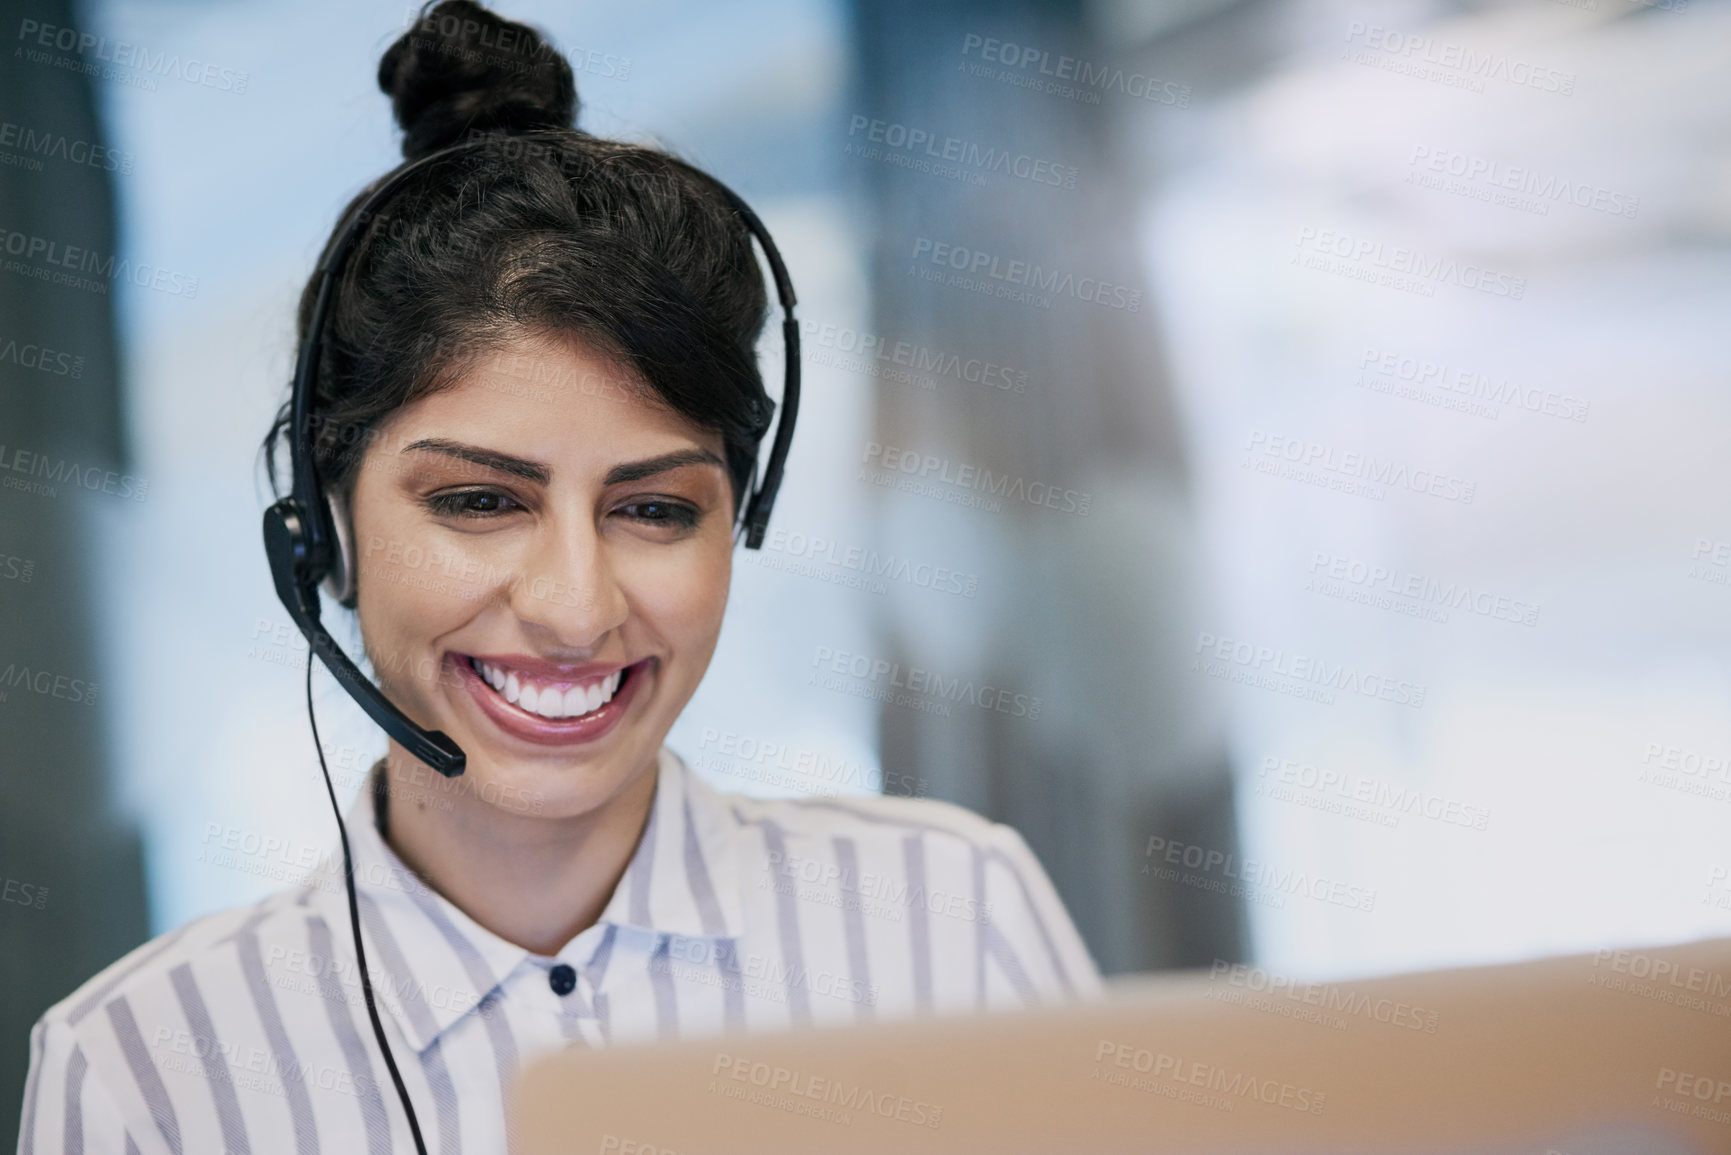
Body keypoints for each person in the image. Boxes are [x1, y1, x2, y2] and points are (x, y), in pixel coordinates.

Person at [15, 3, 1101, 1151]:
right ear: (321, 530)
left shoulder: (954, 919)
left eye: (652, 508)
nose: (577, 609)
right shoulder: (142, 1068)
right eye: (480, 502)